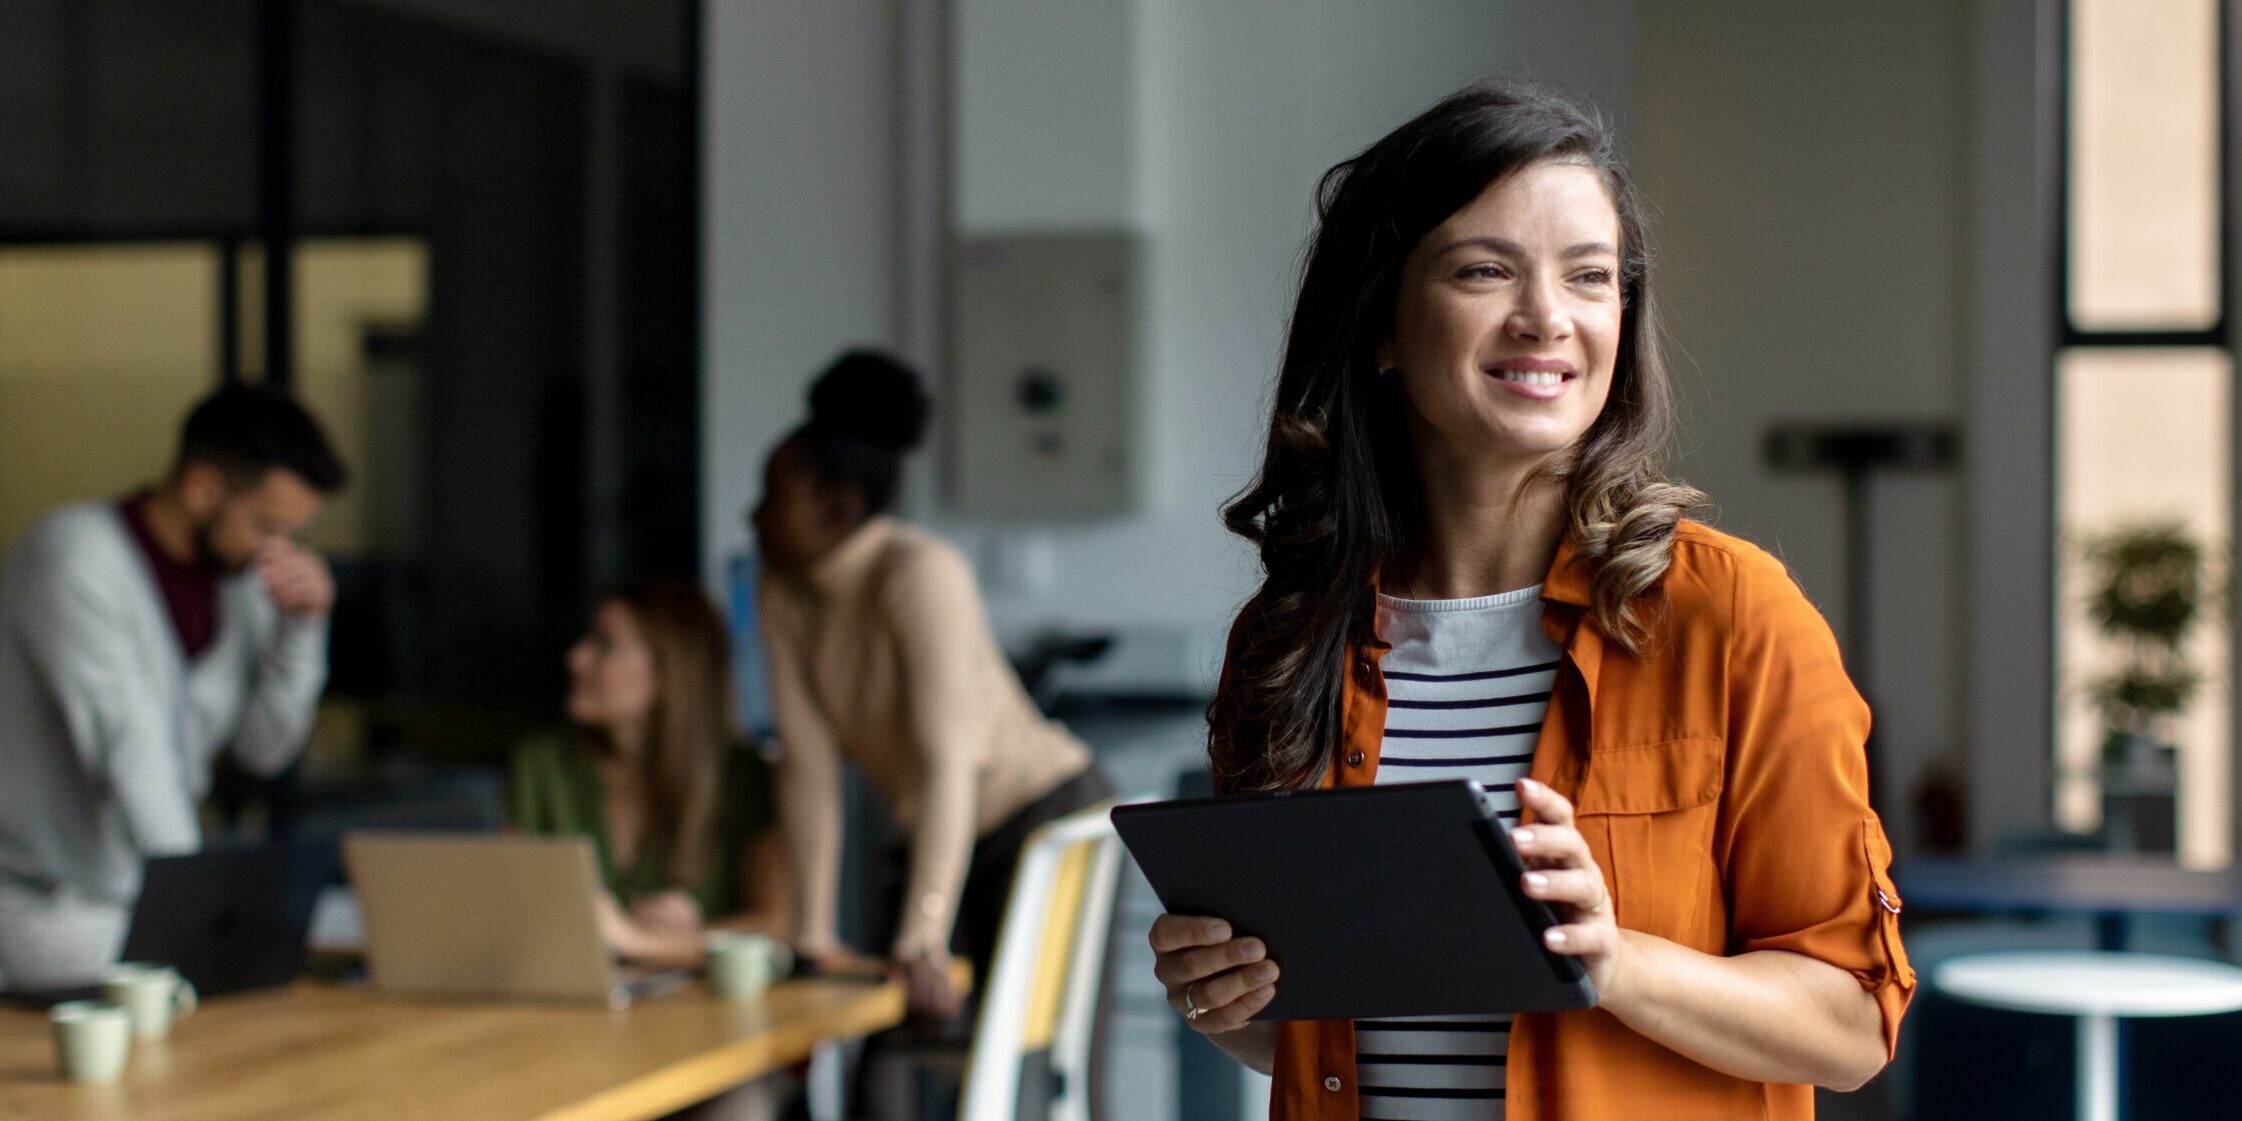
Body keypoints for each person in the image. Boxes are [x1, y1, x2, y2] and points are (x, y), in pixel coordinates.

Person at [1147, 80, 1915, 1119]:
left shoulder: (1734, 617)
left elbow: (1851, 1025)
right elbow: (1316, 1034)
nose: (1546, 317)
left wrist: (1613, 957)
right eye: (1482, 270)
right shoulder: (1289, 638)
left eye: (1589, 277)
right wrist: (1223, 995)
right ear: (1380, 321)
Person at [754, 351, 1111, 1020]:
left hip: (1039, 812)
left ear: (838, 507)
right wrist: (810, 935)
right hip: (939, 829)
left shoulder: (919, 572)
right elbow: (807, 767)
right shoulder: (781, 588)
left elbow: (952, 762)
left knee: (1023, 1059)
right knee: (889, 1057)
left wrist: (922, 933)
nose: (755, 515)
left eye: (774, 497)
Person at [0, 384, 346, 989]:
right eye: (265, 526)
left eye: (293, 535)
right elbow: (133, 751)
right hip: (46, 907)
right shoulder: (73, 561)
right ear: (202, 487)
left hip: (142, 896)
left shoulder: (237, 580)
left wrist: (302, 630)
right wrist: (202, 910)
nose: (278, 551)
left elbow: (264, 751)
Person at [509, 581, 789, 967]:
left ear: (667, 673)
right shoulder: (543, 764)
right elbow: (507, 914)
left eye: (604, 645)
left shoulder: (743, 777)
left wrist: (646, 941)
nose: (575, 658)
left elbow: (778, 926)